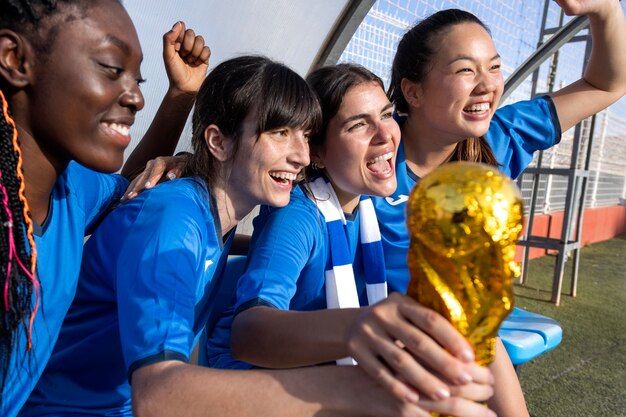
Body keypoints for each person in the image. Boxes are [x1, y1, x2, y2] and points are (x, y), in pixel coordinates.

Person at [20, 56, 493, 417]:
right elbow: (159, 396)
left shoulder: (211, 213)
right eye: (279, 132)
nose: (300, 155)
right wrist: (367, 393)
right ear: (219, 142)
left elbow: (128, 201)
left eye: (305, 135)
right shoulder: (175, 219)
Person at [374, 1, 625, 416]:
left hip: (467, 348)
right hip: (380, 361)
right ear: (412, 91)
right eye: (465, 70)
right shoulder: (370, 159)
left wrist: (605, 11)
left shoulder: (499, 139)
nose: (488, 85)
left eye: (493, 67)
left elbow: (606, 85)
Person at [205, 63, 495, 417]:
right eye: (358, 124)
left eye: (386, 115)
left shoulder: (368, 201)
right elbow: (247, 334)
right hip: (248, 386)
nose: (385, 135)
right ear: (318, 152)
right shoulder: (298, 216)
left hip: (312, 375)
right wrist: (362, 326)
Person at [0, 0, 210, 415]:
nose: (135, 97)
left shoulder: (69, 190)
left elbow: (129, 187)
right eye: (111, 69)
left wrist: (181, 96)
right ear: (15, 59)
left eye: (139, 78)